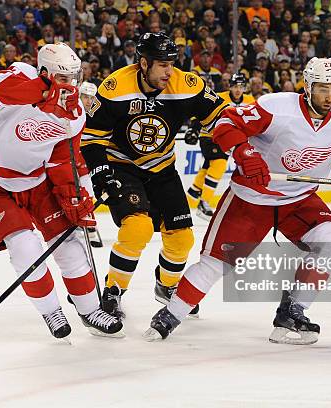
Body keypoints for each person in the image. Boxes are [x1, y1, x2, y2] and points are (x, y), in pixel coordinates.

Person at [144, 57, 331, 344]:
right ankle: (170, 314)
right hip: (251, 200)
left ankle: (292, 313)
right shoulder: (278, 108)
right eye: (321, 89)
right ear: (307, 86)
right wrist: (245, 153)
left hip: (299, 201)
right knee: (216, 264)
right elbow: (226, 123)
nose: (328, 97)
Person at [0, 43, 123, 340]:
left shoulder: (74, 113)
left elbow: (63, 159)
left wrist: (77, 197)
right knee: (25, 249)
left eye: (74, 78)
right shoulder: (20, 76)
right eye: (62, 78)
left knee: (71, 248)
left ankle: (90, 310)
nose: (70, 86)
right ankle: (51, 311)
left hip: (37, 181)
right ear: (44, 72)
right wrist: (44, 91)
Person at [81, 32, 228, 319]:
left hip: (162, 168)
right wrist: (101, 174)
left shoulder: (186, 84)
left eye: (172, 64)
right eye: (162, 65)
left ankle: (167, 285)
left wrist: (242, 143)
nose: (169, 71)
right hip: (123, 167)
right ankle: (113, 290)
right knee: (137, 229)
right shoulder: (114, 87)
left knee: (183, 238)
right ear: (144, 63)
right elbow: (92, 139)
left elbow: (221, 115)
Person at [185, 73, 255, 221]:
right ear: (230, 86)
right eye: (235, 86)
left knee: (206, 168)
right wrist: (194, 129)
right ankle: (204, 203)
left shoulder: (250, 101)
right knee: (219, 164)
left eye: (241, 87)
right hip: (209, 136)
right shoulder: (219, 97)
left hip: (227, 139)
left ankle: (190, 198)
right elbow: (203, 112)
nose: (238, 90)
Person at [78, 80, 104, 249]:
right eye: (85, 97)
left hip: (87, 164)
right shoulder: (71, 114)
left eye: (91, 98)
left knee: (87, 192)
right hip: (71, 161)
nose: (88, 101)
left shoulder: (99, 118)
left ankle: (90, 225)